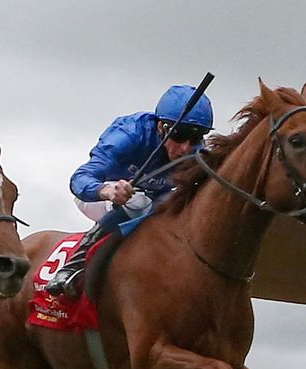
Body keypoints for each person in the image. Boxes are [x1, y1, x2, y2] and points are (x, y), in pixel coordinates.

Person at [44, 84, 213, 297]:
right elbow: (79, 180)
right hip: (100, 195)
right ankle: (72, 266)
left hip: (153, 199)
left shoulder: (197, 153)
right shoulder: (130, 134)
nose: (187, 148)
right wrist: (108, 192)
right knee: (138, 202)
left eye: (196, 137)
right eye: (179, 135)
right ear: (161, 126)